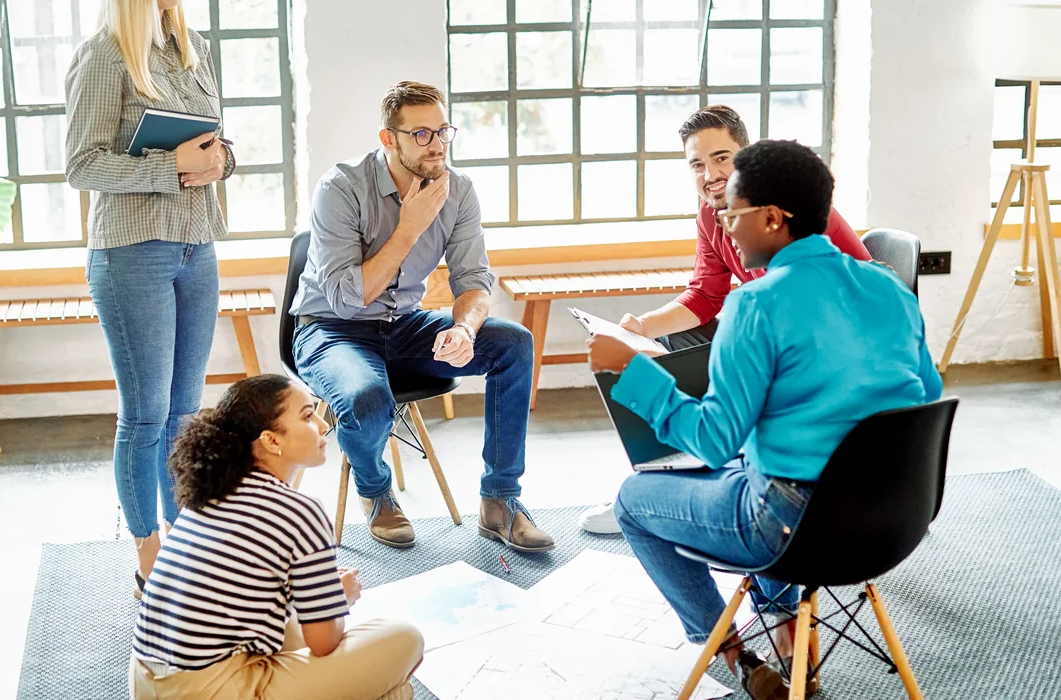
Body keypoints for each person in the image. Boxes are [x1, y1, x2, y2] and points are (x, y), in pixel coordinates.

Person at [586, 140, 942, 700]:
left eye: (733, 212)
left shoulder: (754, 305)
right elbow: (928, 395)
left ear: (773, 219)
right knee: (764, 470)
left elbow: (712, 440)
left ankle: (737, 656)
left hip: (794, 530)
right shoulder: (887, 288)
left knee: (634, 500)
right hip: (897, 519)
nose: (725, 226)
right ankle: (787, 637)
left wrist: (634, 372)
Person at [579, 105, 872, 534]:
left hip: (828, 348)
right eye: (697, 164)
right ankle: (665, 477)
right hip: (781, 335)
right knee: (670, 348)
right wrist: (641, 329)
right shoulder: (710, 214)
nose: (710, 174)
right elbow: (705, 293)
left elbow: (842, 300)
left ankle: (706, 483)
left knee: (697, 368)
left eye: (721, 158)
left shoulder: (794, 208)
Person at [288, 81, 554, 553]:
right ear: (388, 139)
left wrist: (464, 328)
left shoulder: (459, 190)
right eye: (422, 134)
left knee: (513, 343)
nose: (437, 145)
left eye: (443, 131)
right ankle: (376, 492)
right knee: (368, 398)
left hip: (403, 325)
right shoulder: (340, 187)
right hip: (330, 329)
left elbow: (474, 281)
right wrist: (408, 228)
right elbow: (348, 299)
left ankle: (500, 501)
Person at [65, 0, 236, 595]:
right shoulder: (104, 56)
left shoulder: (195, 47)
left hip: (197, 246)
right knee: (144, 416)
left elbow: (215, 143)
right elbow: (81, 164)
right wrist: (172, 167)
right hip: (131, 252)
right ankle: (149, 557)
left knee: (186, 413)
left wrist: (221, 160)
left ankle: (187, 541)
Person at [131, 375, 424, 700]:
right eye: (307, 416)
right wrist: (339, 599)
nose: (323, 425)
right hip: (213, 688)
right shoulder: (301, 510)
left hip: (147, 681)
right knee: (405, 639)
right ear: (271, 441)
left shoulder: (209, 492)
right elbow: (323, 643)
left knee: (386, 684)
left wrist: (318, 594)